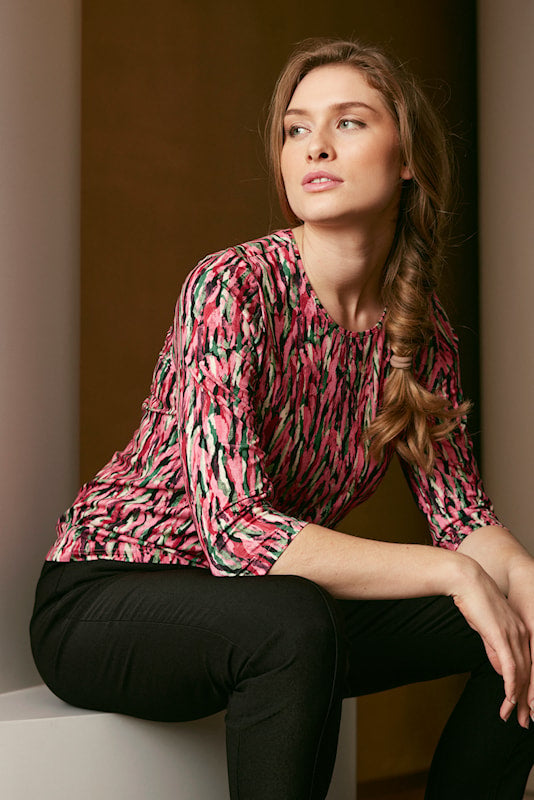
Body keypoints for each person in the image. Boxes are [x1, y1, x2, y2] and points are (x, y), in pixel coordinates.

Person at [30, 37, 534, 799]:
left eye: (349, 122)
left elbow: (461, 516)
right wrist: (449, 571)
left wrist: (520, 575)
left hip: (264, 609)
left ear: (406, 157)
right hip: (107, 601)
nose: (316, 147)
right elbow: (237, 534)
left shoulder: (419, 329)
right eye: (297, 129)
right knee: (295, 618)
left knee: (521, 616)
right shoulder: (231, 287)